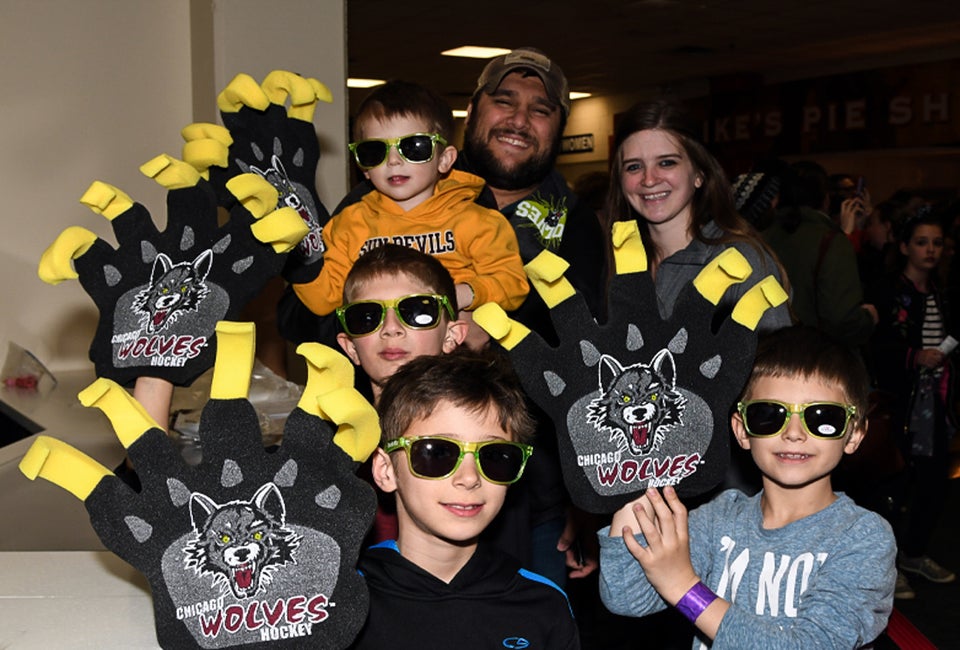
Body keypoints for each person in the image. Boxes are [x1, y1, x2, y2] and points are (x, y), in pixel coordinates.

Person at [598, 325, 896, 649]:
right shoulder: (718, 520)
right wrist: (634, 468)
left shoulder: (863, 537)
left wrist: (686, 589)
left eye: (822, 416)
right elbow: (628, 596)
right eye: (768, 414)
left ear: (853, 434)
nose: (794, 432)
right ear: (741, 430)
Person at [352, 349, 581, 649]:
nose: (470, 477)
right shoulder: (341, 602)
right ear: (385, 471)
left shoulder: (542, 605)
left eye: (495, 457)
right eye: (437, 453)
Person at [292, 80, 528, 348]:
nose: (393, 160)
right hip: (385, 352)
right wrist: (298, 255)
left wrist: (465, 294)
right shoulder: (349, 225)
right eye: (375, 151)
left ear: (445, 159)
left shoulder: (477, 222)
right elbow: (325, 298)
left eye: (414, 147)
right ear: (364, 168)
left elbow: (512, 283)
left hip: (458, 359)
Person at [603, 99, 792, 334]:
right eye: (633, 167)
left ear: (699, 174)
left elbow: (777, 367)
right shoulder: (619, 261)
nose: (649, 179)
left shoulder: (739, 261)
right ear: (620, 181)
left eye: (666, 162)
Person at [869, 208, 957, 600]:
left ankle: (915, 553)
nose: (931, 250)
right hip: (898, 404)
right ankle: (889, 565)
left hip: (936, 403)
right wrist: (913, 357)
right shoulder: (890, 291)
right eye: (922, 242)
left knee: (934, 481)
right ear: (904, 246)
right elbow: (875, 346)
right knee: (895, 483)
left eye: (937, 243)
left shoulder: (941, 291)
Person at [762, 161, 877, 349]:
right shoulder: (829, 242)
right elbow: (841, 320)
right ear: (826, 199)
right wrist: (867, 319)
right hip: (814, 357)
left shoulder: (760, 237)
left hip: (767, 352)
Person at [335, 243, 467, 404]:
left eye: (415, 311)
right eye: (367, 317)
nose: (390, 328)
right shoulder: (335, 428)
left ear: (451, 336)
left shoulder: (481, 426)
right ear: (351, 347)